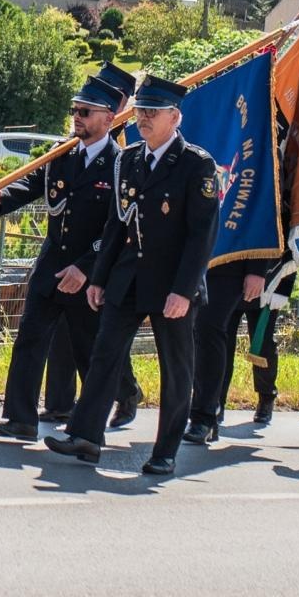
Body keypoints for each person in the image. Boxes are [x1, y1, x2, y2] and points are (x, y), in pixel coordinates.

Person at [45, 75, 218, 477]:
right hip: (128, 278)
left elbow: (201, 236)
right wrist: (99, 278)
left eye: (153, 113)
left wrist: (184, 290)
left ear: (174, 117)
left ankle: (166, 450)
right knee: (105, 355)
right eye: (141, 111)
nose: (143, 119)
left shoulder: (196, 164)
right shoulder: (129, 159)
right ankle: (85, 434)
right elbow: (116, 226)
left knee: (175, 369)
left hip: (173, 285)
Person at [0, 74, 140, 441]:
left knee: (89, 351)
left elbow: (119, 229)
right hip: (51, 266)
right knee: (30, 340)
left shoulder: (121, 165)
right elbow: (30, 185)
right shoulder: (62, 154)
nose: (77, 117)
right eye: (74, 110)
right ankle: (20, 419)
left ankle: (121, 397)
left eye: (85, 111)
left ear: (108, 119)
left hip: (88, 274)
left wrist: (86, 269)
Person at [184, 257, 280, 443]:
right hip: (215, 263)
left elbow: (279, 235)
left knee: (262, 346)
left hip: (259, 277)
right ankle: (210, 410)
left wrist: (260, 270)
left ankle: (266, 395)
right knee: (211, 337)